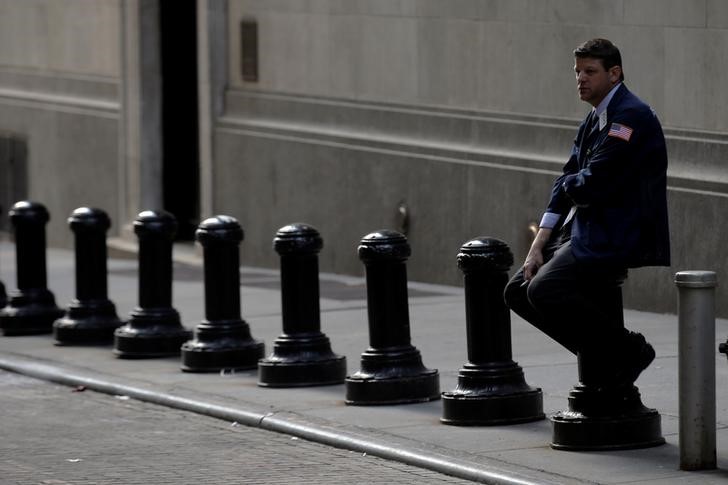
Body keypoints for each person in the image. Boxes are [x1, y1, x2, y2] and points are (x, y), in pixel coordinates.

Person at [504, 38, 670, 388]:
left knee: (544, 290)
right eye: (577, 72)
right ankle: (611, 353)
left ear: (615, 73)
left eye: (590, 71)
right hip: (586, 229)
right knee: (517, 290)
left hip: (617, 235)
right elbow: (568, 178)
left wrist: (571, 183)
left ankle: (628, 349)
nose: (581, 78)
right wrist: (539, 243)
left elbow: (588, 183)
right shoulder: (594, 119)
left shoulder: (630, 116)